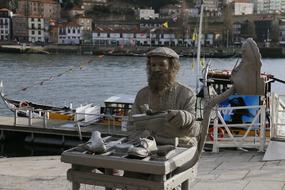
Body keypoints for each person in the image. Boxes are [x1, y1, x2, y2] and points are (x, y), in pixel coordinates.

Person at [129, 47, 200, 148]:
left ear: (172, 67)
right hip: (145, 147)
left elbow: (196, 130)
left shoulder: (187, 94)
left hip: (180, 148)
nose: (156, 69)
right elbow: (131, 126)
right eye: (153, 65)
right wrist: (142, 139)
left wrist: (186, 118)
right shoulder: (142, 94)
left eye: (162, 65)